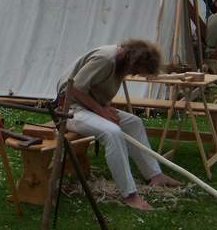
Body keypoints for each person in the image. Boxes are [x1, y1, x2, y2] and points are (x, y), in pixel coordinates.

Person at [56, 41, 180, 211]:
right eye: (135, 71)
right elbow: (75, 89)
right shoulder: (106, 59)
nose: (134, 74)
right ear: (133, 62)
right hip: (68, 109)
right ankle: (129, 194)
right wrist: (101, 111)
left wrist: (105, 107)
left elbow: (100, 88)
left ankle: (154, 175)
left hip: (87, 107)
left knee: (135, 123)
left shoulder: (121, 61)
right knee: (113, 132)